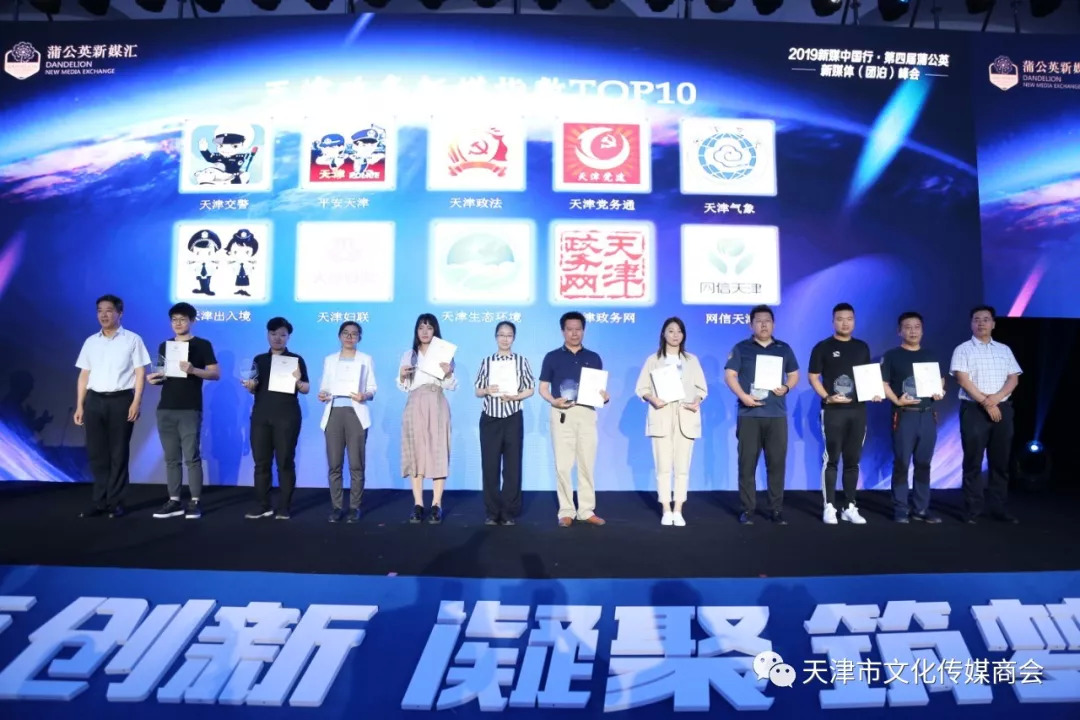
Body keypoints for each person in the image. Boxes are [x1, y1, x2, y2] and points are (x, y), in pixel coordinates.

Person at [74, 294, 151, 518]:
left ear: (120, 313)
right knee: (97, 453)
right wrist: (80, 405)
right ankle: (99, 501)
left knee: (118, 452)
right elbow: (84, 375)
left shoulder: (132, 340)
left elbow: (140, 373)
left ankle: (115, 501)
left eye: (109, 310)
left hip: (121, 400)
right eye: (100, 311)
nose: (103, 315)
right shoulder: (91, 341)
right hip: (94, 400)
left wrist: (136, 401)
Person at [724, 305, 799, 525]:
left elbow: (794, 374)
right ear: (751, 325)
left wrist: (786, 387)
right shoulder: (741, 348)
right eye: (758, 321)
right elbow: (730, 375)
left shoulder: (783, 348)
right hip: (749, 414)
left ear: (773, 324)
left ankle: (776, 509)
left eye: (767, 321)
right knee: (747, 464)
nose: (763, 325)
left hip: (776, 415)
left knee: (776, 464)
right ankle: (748, 510)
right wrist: (743, 396)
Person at [950, 305, 1022, 524]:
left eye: (986, 319)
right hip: (974, 409)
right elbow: (962, 379)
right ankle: (973, 509)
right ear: (971, 323)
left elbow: (1014, 378)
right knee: (973, 460)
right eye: (977, 319)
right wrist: (985, 402)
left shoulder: (1004, 349)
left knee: (1000, 460)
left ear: (993, 323)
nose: (981, 323)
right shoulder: (963, 349)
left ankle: (999, 508)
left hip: (1002, 408)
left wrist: (996, 399)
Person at [148, 302, 220, 520]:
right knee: (171, 458)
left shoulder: (202, 345)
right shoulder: (165, 345)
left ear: (192, 321)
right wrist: (155, 379)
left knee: (192, 457)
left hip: (190, 407)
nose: (178, 323)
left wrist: (194, 369)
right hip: (166, 408)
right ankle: (174, 501)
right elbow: (164, 375)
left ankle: (195, 501)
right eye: (174, 320)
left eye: (182, 319)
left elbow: (215, 373)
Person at [808, 303, 877, 525]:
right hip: (833, 411)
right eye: (840, 319)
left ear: (854, 321)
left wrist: (874, 392)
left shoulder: (862, 347)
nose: (845, 323)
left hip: (858, 411)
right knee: (831, 460)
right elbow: (813, 376)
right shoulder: (823, 347)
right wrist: (827, 397)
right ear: (833, 321)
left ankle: (849, 506)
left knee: (853, 460)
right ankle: (829, 506)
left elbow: (866, 376)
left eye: (849, 319)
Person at [634, 317, 707, 527]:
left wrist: (697, 400)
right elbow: (641, 388)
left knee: (683, 467)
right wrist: (652, 399)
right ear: (663, 334)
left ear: (684, 335)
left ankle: (678, 509)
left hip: (686, 415)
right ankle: (666, 508)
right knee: (663, 466)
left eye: (679, 331)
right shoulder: (653, 360)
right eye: (671, 331)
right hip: (662, 415)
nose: (675, 335)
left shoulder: (691, 360)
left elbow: (701, 389)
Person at [538, 311, 610, 527]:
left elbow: (599, 390)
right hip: (562, 413)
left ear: (583, 330)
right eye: (569, 329)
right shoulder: (552, 357)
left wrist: (604, 397)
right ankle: (566, 511)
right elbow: (543, 388)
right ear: (563, 331)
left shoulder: (594, 357)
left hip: (586, 413)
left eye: (578, 329)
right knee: (563, 465)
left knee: (587, 463)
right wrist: (553, 401)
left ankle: (586, 510)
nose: (574, 333)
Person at [881, 312, 944, 524]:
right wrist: (897, 401)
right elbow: (883, 384)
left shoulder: (930, 355)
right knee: (901, 463)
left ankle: (921, 509)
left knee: (924, 463)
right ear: (899, 331)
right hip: (904, 416)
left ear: (922, 330)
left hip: (927, 415)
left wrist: (939, 391)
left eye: (917, 327)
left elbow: (940, 381)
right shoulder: (892, 355)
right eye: (907, 327)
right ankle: (900, 508)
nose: (913, 331)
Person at [243, 317, 309, 520]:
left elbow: (306, 388)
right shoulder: (259, 359)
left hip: (287, 416)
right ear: (267, 335)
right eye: (273, 334)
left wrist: (298, 380)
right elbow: (254, 387)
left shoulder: (296, 359)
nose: (277, 338)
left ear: (288, 337)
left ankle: (284, 507)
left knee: (285, 461)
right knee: (261, 463)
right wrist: (250, 386)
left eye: (282, 334)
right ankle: (263, 505)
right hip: (261, 416)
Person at [474, 321, 535, 526]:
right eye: (501, 335)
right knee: (490, 466)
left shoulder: (521, 361)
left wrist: (516, 396)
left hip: (512, 416)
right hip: (490, 418)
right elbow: (477, 390)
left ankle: (509, 512)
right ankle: (492, 512)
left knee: (512, 466)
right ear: (496, 337)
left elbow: (530, 388)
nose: (505, 339)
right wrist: (487, 390)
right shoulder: (487, 361)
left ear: (514, 338)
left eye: (509, 335)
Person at [398, 313, 456, 524]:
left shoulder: (445, 355)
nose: (425, 332)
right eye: (421, 328)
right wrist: (402, 375)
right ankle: (418, 504)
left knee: (438, 451)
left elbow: (451, 385)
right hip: (415, 403)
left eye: (429, 328)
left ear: (435, 331)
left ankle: (437, 504)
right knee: (416, 452)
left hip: (437, 401)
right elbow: (403, 386)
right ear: (416, 331)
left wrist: (448, 372)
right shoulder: (409, 355)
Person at [317, 321, 377, 524]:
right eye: (346, 333)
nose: (350, 337)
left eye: (354, 334)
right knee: (334, 464)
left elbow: (372, 388)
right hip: (334, 413)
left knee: (356, 464)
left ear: (359, 337)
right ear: (339, 336)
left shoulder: (365, 359)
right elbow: (325, 387)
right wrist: (323, 394)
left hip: (355, 413)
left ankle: (354, 507)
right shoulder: (330, 360)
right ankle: (336, 507)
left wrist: (364, 395)